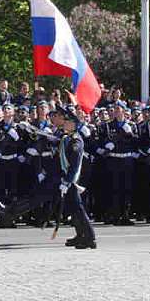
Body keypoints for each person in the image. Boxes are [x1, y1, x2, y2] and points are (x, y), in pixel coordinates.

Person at [55, 106, 97, 250]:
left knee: (78, 209)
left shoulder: (76, 141)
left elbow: (74, 165)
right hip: (67, 179)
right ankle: (80, 235)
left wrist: (67, 182)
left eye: (67, 121)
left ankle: (90, 238)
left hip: (72, 180)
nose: (64, 123)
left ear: (73, 124)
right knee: (73, 209)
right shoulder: (67, 138)